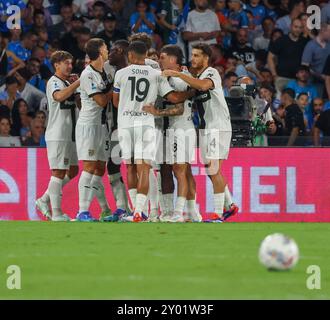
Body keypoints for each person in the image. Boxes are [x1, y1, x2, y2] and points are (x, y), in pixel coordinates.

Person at [112, 41, 194, 222]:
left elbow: (116, 102)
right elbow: (173, 97)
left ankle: (136, 211)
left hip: (125, 125)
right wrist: (190, 93)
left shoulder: (120, 73)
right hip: (146, 124)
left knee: (131, 167)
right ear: (144, 56)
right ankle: (138, 212)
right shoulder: (156, 74)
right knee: (144, 168)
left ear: (131, 56)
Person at [162, 43, 238, 221]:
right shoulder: (195, 76)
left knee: (213, 169)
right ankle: (230, 204)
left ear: (206, 58)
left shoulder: (211, 73)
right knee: (210, 167)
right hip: (206, 128)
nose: (193, 58)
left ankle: (218, 214)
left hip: (218, 126)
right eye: (192, 55)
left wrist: (179, 73)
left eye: (197, 55)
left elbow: (203, 86)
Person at [143, 44, 202, 223]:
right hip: (165, 130)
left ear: (173, 60)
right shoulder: (165, 77)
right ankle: (168, 212)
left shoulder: (181, 79)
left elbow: (178, 107)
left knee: (180, 170)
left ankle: (180, 212)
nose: (159, 61)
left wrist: (157, 112)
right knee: (165, 170)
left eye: (162, 57)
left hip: (181, 129)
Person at [35, 51, 80, 222]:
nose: (69, 66)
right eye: (66, 63)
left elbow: (78, 105)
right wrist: (77, 84)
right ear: (56, 65)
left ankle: (44, 199)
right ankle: (57, 213)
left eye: (71, 63)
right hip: (58, 133)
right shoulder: (54, 82)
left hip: (71, 133)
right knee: (58, 172)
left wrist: (76, 86)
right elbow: (59, 96)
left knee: (73, 170)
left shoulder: (68, 82)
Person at [75, 38, 112, 222]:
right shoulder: (87, 74)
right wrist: (116, 88)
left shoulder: (104, 71)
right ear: (99, 51)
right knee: (89, 167)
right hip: (88, 125)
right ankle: (82, 211)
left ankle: (98, 210)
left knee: (99, 168)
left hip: (102, 126)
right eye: (105, 47)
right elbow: (101, 101)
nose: (108, 50)